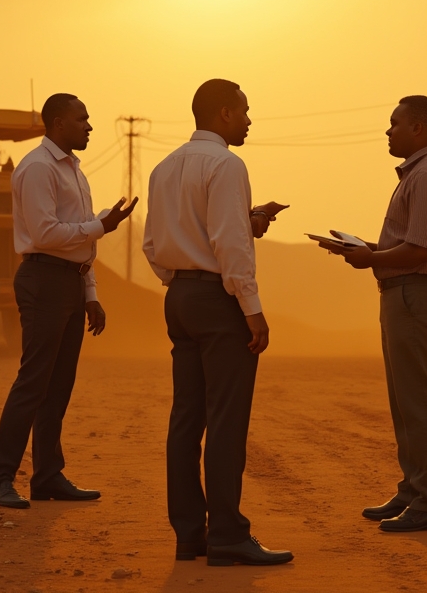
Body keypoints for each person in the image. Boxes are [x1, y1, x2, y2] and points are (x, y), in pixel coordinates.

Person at [142, 78, 293, 567]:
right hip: (216, 300)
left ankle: (191, 535)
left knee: (186, 420)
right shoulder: (227, 164)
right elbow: (229, 245)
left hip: (180, 298)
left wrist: (180, 276)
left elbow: (153, 243)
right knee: (227, 421)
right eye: (245, 111)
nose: (249, 119)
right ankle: (227, 534)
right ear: (225, 113)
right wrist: (252, 310)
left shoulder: (165, 167)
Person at [0, 93, 138, 510]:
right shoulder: (37, 168)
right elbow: (46, 233)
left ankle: (47, 476)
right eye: (82, 118)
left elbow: (77, 243)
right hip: (43, 280)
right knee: (33, 382)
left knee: (58, 386)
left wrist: (90, 295)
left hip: (69, 282)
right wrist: (101, 226)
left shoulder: (73, 170)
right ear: (57, 124)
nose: (89, 126)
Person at [323, 95, 427, 534]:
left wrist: (371, 259)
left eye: (394, 123)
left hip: (416, 293)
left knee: (418, 401)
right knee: (405, 402)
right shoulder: (419, 175)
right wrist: (369, 249)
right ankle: (413, 491)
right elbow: (411, 242)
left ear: (418, 129)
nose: (388, 131)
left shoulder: (426, 177)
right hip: (405, 292)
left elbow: (421, 249)